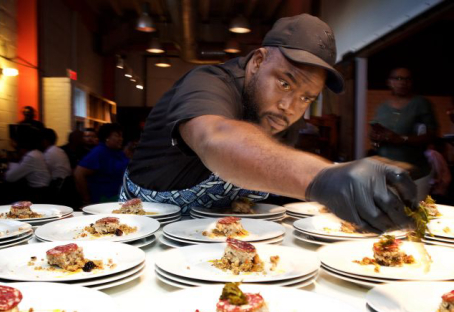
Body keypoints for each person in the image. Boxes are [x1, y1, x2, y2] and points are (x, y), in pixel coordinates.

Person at [122, 14, 417, 232]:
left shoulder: (277, 113)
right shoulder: (208, 82)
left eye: (306, 98)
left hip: (218, 235)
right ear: (258, 61)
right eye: (285, 84)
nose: (289, 108)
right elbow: (216, 137)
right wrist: (324, 177)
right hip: (144, 226)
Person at [369, 67, 437, 200]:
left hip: (414, 173)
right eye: (398, 78)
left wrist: (402, 139)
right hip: (386, 174)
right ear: (390, 82)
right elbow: (374, 133)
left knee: (414, 215)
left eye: (407, 79)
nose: (402, 82)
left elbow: (432, 135)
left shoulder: (421, 104)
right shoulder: (382, 108)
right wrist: (374, 137)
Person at [74, 123, 129, 205]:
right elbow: (78, 174)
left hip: (118, 196)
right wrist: (86, 199)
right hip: (103, 199)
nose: (121, 139)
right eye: (117, 136)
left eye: (121, 136)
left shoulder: (118, 152)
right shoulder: (99, 152)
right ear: (107, 137)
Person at [5, 126, 51, 202]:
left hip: (38, 196)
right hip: (43, 193)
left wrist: (14, 152)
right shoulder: (37, 153)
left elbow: (9, 178)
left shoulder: (32, 156)